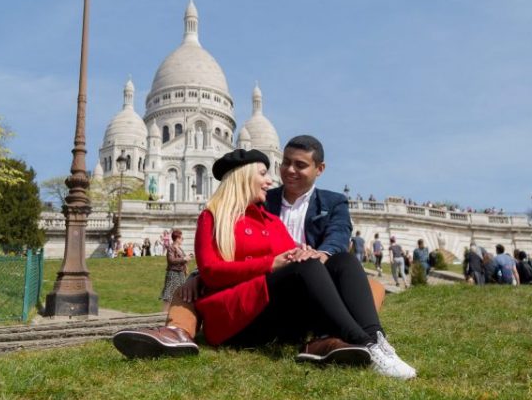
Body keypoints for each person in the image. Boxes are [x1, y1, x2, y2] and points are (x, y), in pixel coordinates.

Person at [114, 149, 415, 378]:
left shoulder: (271, 221)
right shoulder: (213, 217)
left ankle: (376, 340)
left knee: (343, 261)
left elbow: (295, 259)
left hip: (272, 314)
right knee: (306, 267)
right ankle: (362, 342)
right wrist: (271, 264)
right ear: (244, 177)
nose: (271, 180)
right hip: (234, 317)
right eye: (263, 174)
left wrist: (304, 254)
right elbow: (212, 272)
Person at [159, 230, 188, 312]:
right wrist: (183, 259)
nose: (182, 239)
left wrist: (187, 258)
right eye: (181, 238)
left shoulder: (180, 249)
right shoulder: (170, 248)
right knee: (169, 296)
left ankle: (176, 314)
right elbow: (171, 260)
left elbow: (182, 259)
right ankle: (163, 315)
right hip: (173, 273)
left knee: (181, 295)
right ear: (177, 238)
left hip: (181, 274)